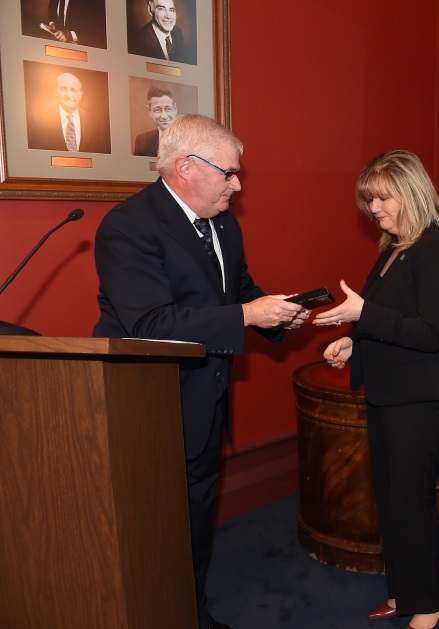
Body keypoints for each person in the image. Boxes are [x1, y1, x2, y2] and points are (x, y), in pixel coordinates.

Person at [92, 114, 309, 629]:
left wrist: (276, 314)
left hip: (206, 399)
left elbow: (238, 293)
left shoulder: (223, 224)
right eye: (230, 173)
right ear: (187, 167)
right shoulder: (128, 226)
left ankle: (193, 612)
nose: (238, 184)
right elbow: (150, 321)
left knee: (193, 522)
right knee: (151, 531)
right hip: (148, 405)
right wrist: (246, 316)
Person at [315, 150, 439, 629]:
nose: (374, 208)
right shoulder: (393, 249)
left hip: (421, 401)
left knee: (411, 500)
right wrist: (351, 342)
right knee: (391, 498)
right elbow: (381, 319)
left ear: (412, 192)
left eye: (382, 197)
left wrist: (363, 317)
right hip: (388, 395)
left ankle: (430, 600)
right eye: (369, 200)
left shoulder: (436, 249)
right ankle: (404, 591)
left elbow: (431, 332)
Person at [26, 71, 111, 153]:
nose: (68, 95)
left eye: (73, 90)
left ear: (81, 94)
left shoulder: (94, 122)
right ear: (56, 92)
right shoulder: (38, 120)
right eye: (63, 89)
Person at [129, 0, 195, 64]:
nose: (168, 16)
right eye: (161, 9)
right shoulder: (139, 40)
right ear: (150, 9)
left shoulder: (177, 32)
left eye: (171, 10)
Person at [42, 0, 107, 48]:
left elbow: (99, 27)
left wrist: (70, 35)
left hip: (82, 48)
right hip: (56, 45)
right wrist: (52, 23)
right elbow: (52, 7)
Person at [134, 85, 177, 157]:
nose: (164, 116)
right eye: (157, 110)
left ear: (175, 109)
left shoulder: (189, 138)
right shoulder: (142, 141)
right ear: (149, 111)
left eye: (168, 109)